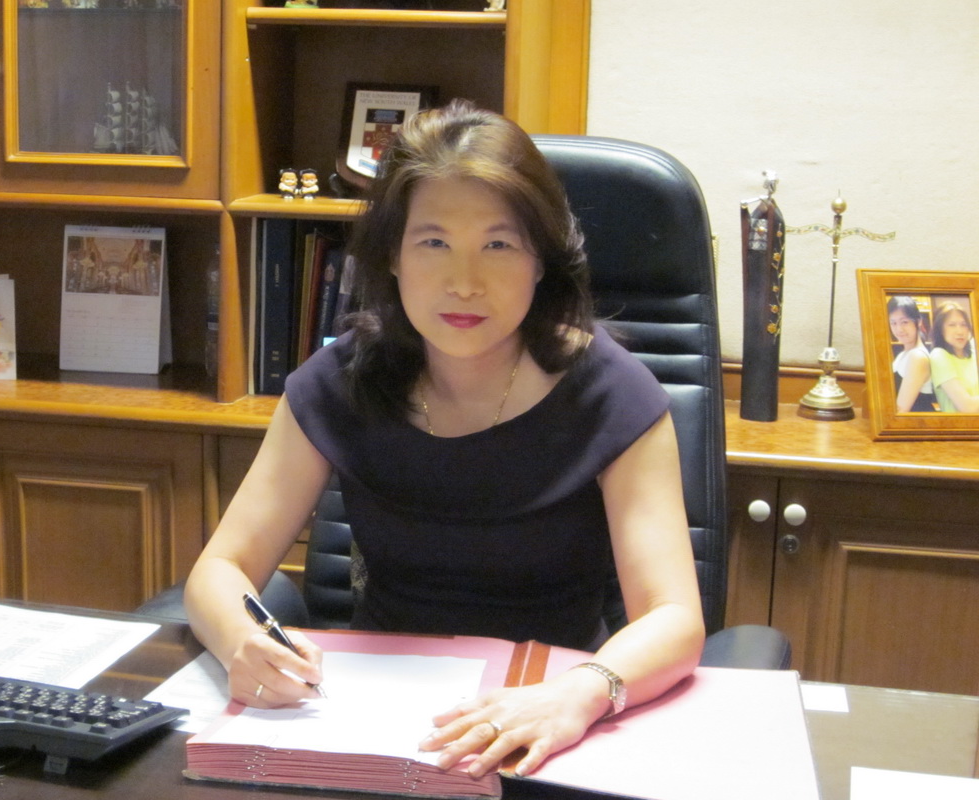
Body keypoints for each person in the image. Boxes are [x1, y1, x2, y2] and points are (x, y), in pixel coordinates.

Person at [184, 100, 704, 778]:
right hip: (371, 719)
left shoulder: (611, 393)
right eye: (433, 243)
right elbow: (219, 570)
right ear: (393, 257)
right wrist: (241, 642)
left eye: (498, 245)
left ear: (541, 260)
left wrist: (579, 695)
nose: (464, 283)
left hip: (547, 723)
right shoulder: (342, 382)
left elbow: (674, 617)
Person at [886, 296, 935, 412]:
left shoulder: (917, 357)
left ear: (918, 321)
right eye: (893, 323)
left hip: (917, 422)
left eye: (904, 322)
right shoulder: (902, 354)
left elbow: (901, 410)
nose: (899, 329)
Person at [928, 302, 979, 413]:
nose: (960, 331)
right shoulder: (939, 356)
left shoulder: (974, 353)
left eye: (963, 325)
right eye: (952, 325)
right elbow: (967, 407)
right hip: (961, 424)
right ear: (940, 330)